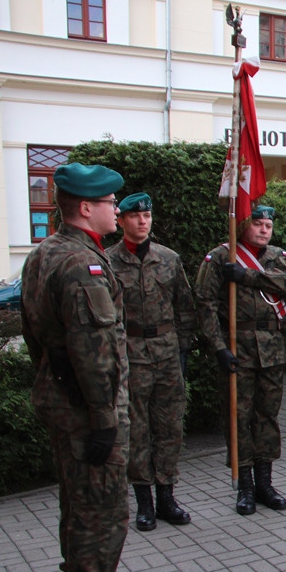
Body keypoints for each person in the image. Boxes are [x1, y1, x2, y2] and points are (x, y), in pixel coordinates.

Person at [20, 163, 150, 572]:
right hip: (89, 410)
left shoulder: (45, 253)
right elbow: (93, 352)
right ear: (86, 207)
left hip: (64, 399)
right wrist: (101, 420)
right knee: (99, 504)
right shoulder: (81, 264)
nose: (117, 210)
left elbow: (37, 337)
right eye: (111, 203)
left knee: (79, 501)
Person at [195, 205, 286, 515]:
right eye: (258, 224)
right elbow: (205, 304)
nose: (264, 229)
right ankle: (245, 486)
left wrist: (248, 276)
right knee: (239, 417)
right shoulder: (220, 257)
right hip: (237, 346)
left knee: (267, 416)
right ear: (242, 225)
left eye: (268, 224)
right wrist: (218, 347)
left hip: (270, 349)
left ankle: (266, 483)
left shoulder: (277, 257)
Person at [106, 192, 197, 532]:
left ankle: (167, 497)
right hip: (130, 354)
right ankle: (144, 503)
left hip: (167, 353)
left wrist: (184, 350)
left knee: (170, 428)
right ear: (121, 221)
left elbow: (184, 307)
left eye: (147, 216)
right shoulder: (108, 261)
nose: (142, 221)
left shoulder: (169, 259)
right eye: (135, 217)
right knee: (137, 431)